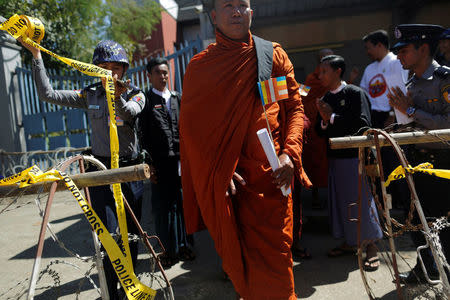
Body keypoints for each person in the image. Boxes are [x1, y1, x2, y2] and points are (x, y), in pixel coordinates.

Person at [179, 0, 311, 298]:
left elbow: (293, 107)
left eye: (242, 5)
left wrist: (290, 153)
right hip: (233, 187)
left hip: (272, 181)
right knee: (242, 270)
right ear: (214, 16)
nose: (236, 11)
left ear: (252, 12)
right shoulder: (201, 68)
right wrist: (216, 172)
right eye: (228, 5)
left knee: (279, 263)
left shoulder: (270, 56)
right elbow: (192, 134)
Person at [19, 39, 146, 299]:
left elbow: (130, 114)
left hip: (129, 172)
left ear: (124, 69)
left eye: (115, 67)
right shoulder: (89, 95)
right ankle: (110, 292)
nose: (109, 72)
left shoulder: (136, 94)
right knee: (108, 237)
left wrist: (117, 96)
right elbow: (49, 95)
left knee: (130, 236)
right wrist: (36, 55)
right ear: (94, 69)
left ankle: (130, 287)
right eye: (103, 66)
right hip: (100, 172)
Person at [388, 24, 450, 284]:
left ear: (423, 49)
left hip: (442, 164)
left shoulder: (444, 78)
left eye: (404, 50)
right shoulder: (411, 81)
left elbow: (447, 123)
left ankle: (445, 274)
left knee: (442, 226)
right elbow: (414, 123)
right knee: (415, 220)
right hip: (416, 161)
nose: (399, 56)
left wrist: (411, 111)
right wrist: (399, 117)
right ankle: (425, 268)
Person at [316, 55, 383, 271]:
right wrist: (326, 121)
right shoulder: (326, 97)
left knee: (361, 202)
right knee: (342, 204)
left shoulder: (355, 93)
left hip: (355, 158)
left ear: (338, 71)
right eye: (320, 71)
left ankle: (371, 246)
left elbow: (363, 125)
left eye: (325, 71)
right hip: (335, 159)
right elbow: (320, 129)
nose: (320, 75)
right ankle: (350, 242)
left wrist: (332, 117)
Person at [140, 57, 194, 268]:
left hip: (180, 163)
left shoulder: (177, 98)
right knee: (163, 209)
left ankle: (184, 246)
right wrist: (149, 165)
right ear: (149, 75)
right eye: (158, 73)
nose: (162, 76)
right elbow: (142, 136)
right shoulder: (145, 101)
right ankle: (167, 251)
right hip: (160, 165)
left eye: (165, 72)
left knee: (182, 205)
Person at [360, 29, 410, 128]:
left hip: (393, 115)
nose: (367, 52)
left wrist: (392, 114)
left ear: (379, 45)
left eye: (369, 48)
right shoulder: (369, 68)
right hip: (373, 116)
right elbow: (363, 93)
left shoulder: (396, 62)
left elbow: (401, 91)